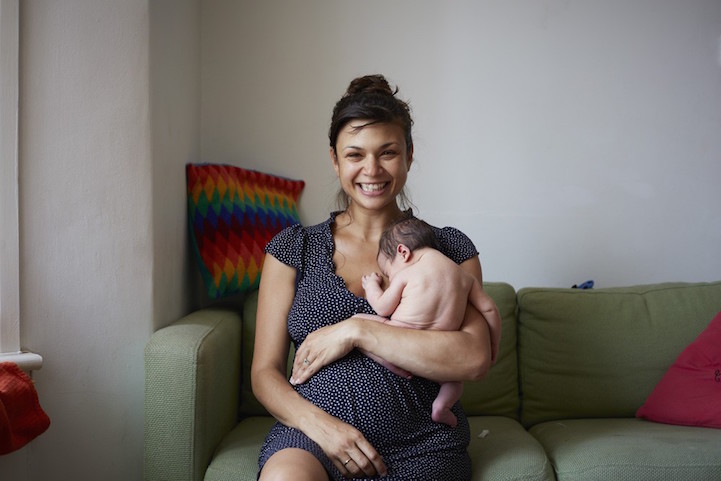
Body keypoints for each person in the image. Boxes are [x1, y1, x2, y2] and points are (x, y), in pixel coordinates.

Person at [251, 74, 493, 481]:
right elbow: (264, 373)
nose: (372, 170)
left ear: (409, 155)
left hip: (422, 443)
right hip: (314, 439)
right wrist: (322, 428)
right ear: (334, 159)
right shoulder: (293, 248)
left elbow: (472, 357)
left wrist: (355, 331)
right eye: (355, 154)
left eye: (387, 152)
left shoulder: (448, 249)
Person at [358, 217, 502, 427]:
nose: (390, 275)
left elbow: (381, 307)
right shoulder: (464, 276)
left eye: (388, 271)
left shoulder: (407, 274)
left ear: (403, 252)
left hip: (399, 335)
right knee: (454, 382)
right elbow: (489, 309)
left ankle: (388, 361)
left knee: (357, 322)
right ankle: (441, 407)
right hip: (438, 354)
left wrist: (372, 286)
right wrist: (493, 344)